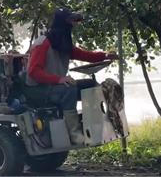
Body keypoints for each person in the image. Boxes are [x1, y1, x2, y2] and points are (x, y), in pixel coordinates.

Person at [24, 8, 118, 145]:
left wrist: (105, 56)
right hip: (37, 89)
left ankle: (94, 127)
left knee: (90, 85)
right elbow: (33, 72)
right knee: (69, 90)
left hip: (55, 86)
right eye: (70, 22)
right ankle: (74, 134)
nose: (72, 26)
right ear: (62, 24)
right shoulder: (42, 44)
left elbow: (85, 55)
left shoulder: (62, 44)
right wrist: (60, 79)